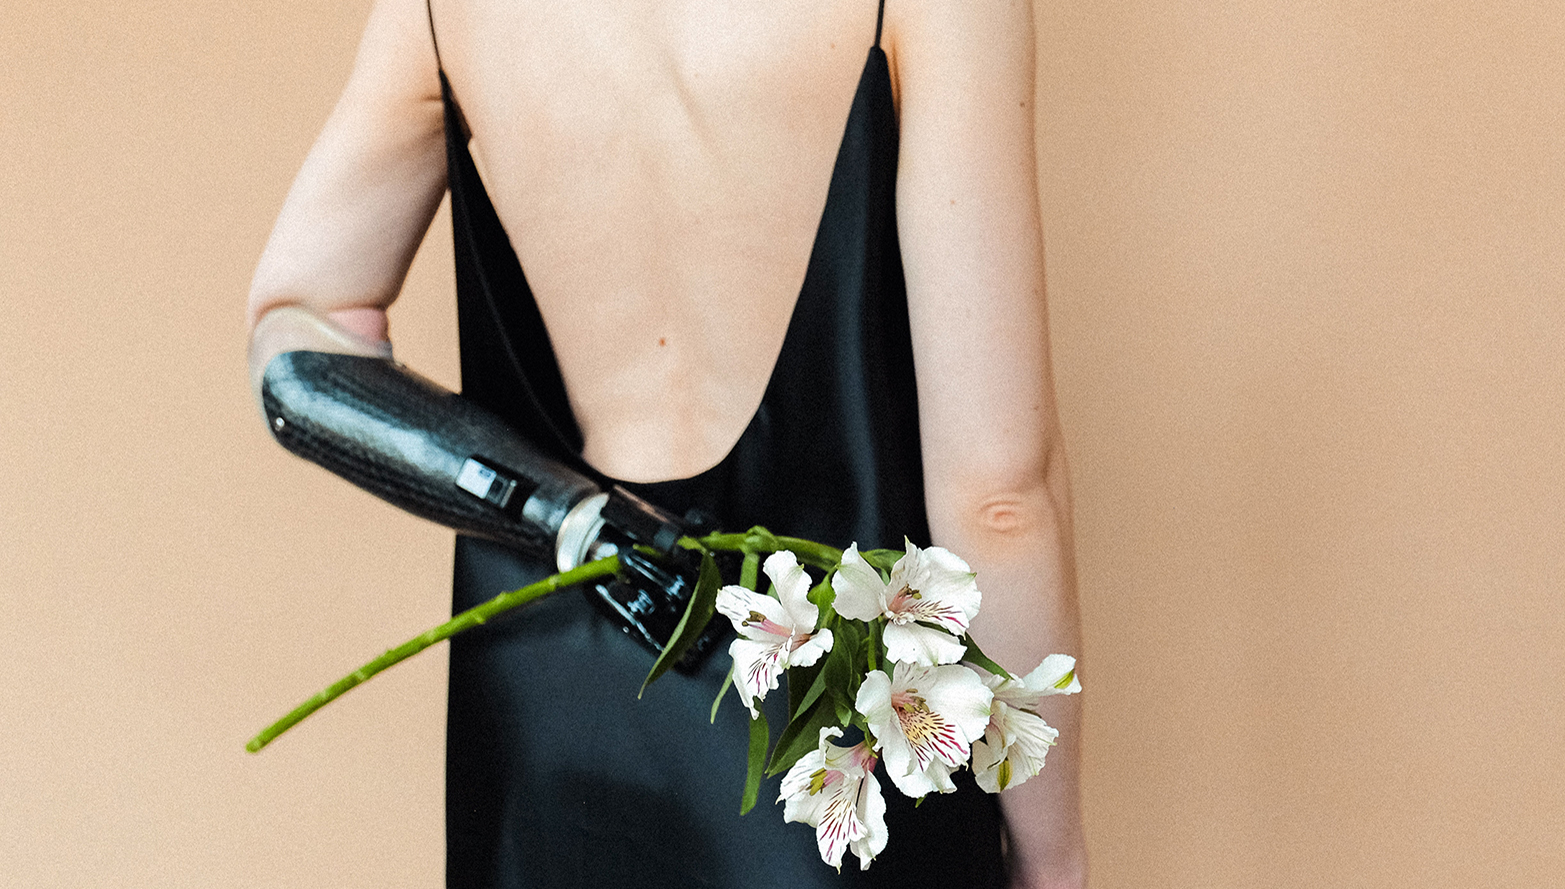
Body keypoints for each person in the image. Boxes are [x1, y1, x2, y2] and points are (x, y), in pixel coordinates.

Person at [245, 0, 1084, 887]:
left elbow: (296, 346)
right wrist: (1051, 851)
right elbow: (999, 494)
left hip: (553, 743)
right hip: (829, 764)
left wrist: (565, 516)